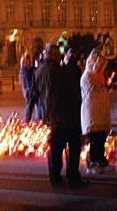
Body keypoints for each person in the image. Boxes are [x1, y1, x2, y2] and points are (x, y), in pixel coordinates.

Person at [35, 43, 83, 186]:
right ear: (55, 55)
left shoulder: (39, 71)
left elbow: (35, 92)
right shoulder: (60, 71)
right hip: (65, 114)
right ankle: (72, 176)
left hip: (50, 114)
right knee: (73, 145)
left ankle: (54, 176)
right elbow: (72, 88)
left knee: (55, 148)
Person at [80, 49, 111, 172]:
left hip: (100, 110)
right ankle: (93, 161)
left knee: (101, 137)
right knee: (94, 138)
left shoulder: (99, 76)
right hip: (92, 111)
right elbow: (93, 92)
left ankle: (100, 159)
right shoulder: (87, 76)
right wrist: (105, 88)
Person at [19, 51, 41, 122]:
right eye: (28, 59)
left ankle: (36, 120)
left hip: (32, 91)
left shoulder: (31, 69)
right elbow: (27, 83)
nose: (30, 61)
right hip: (29, 92)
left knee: (36, 107)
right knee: (30, 107)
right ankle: (27, 121)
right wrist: (30, 91)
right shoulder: (24, 71)